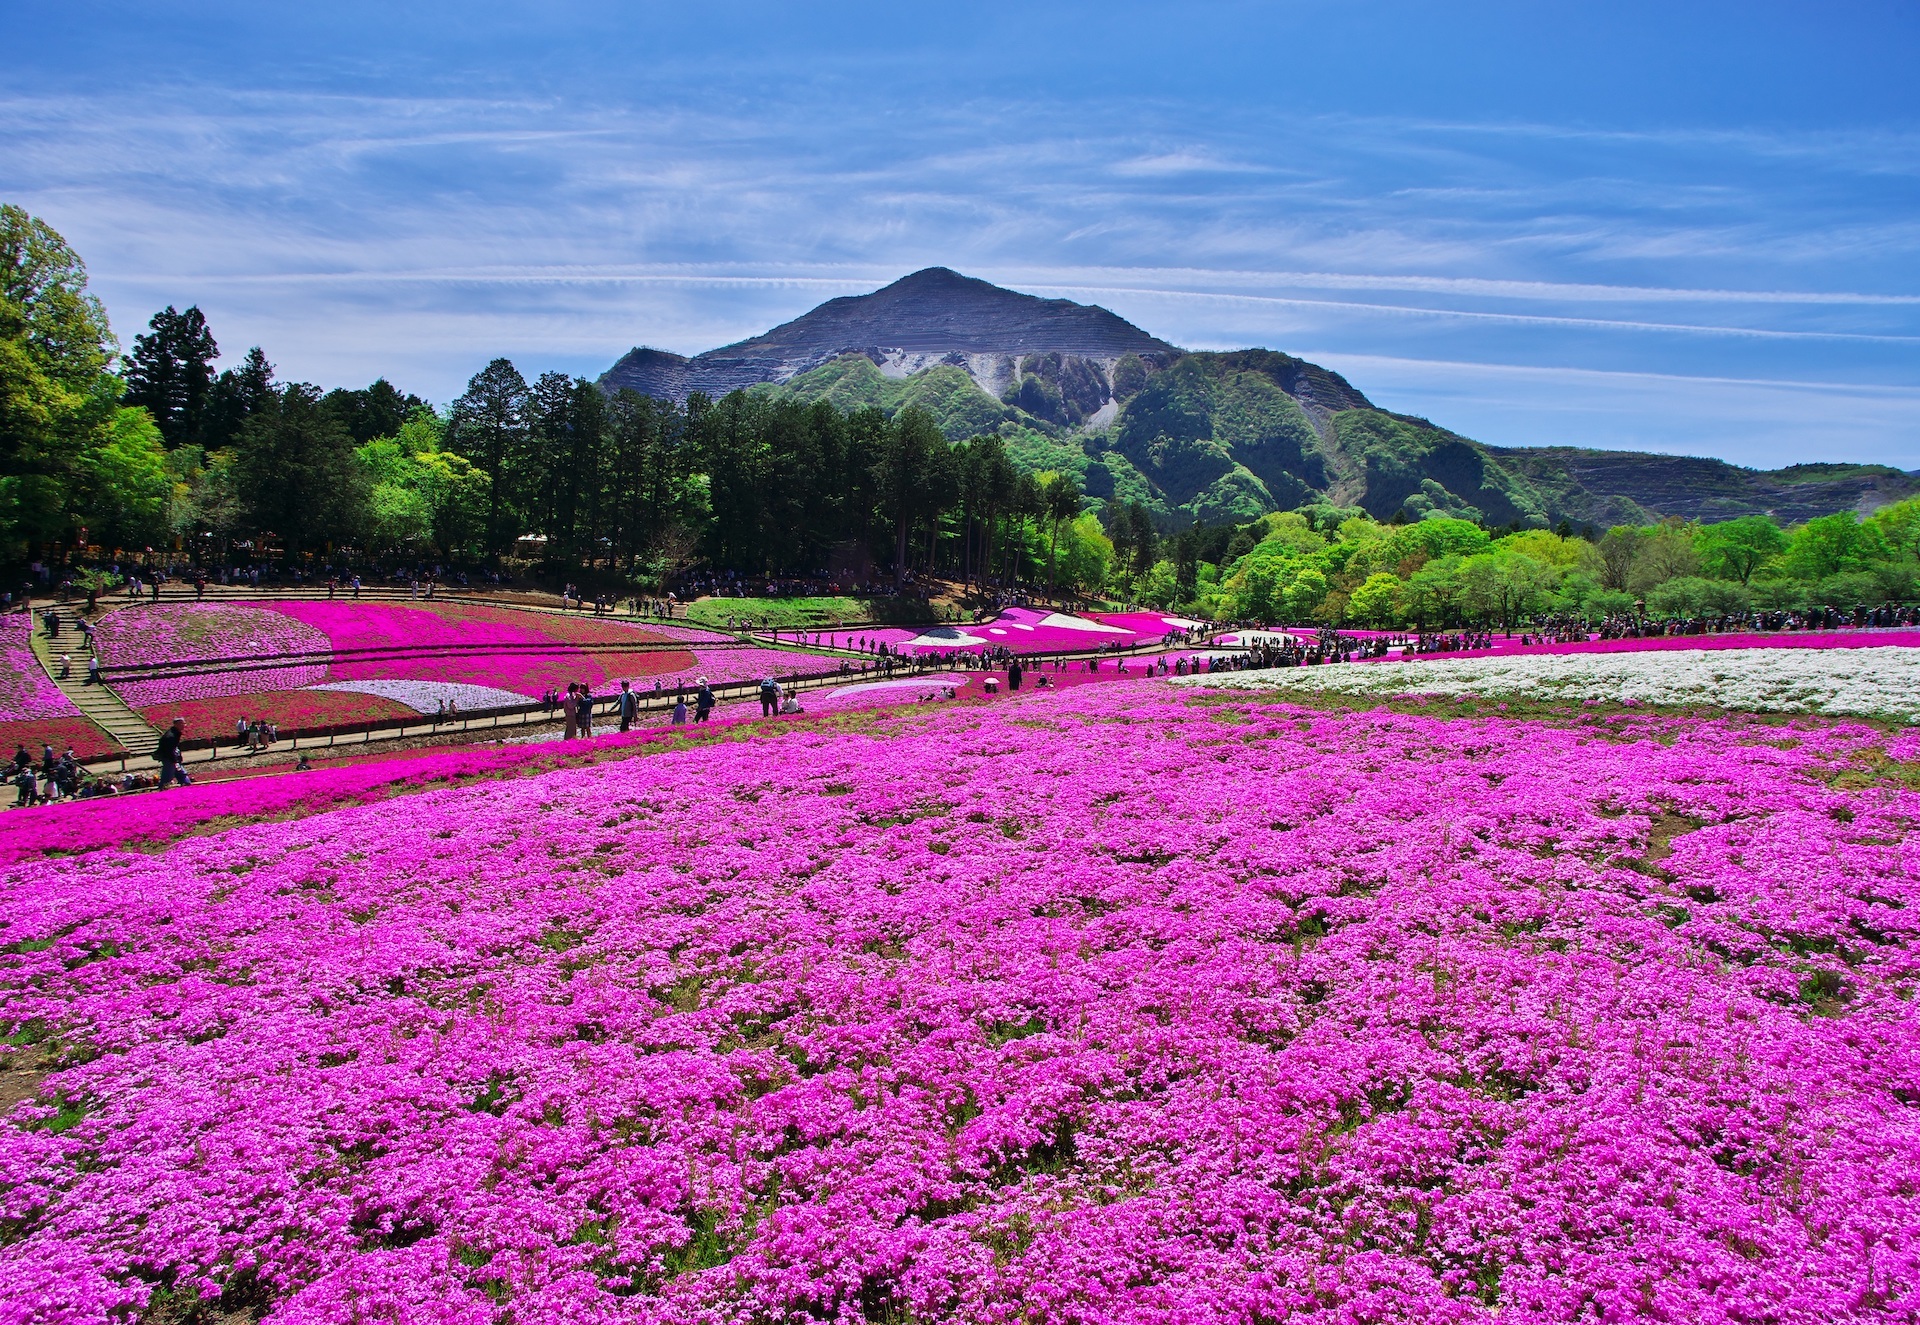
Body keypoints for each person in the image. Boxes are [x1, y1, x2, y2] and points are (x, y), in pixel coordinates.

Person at [156, 717, 189, 789]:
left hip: (174, 758)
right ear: (177, 724)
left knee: (181, 774)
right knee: (167, 777)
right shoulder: (171, 736)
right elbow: (169, 750)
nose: (184, 725)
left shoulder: (175, 733)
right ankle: (163, 789)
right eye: (183, 723)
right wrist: (174, 760)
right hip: (169, 758)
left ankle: (186, 784)